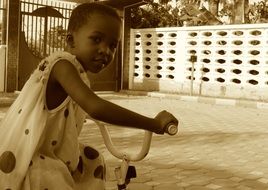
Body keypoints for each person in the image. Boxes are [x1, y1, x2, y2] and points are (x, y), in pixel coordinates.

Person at [0, 2, 178, 190]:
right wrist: (152, 123)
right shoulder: (62, 66)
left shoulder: (76, 73)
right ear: (71, 40)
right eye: (96, 39)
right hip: (30, 161)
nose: (105, 50)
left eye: (112, 45)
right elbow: (95, 106)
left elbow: (83, 106)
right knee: (56, 174)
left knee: (92, 160)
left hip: (48, 153)